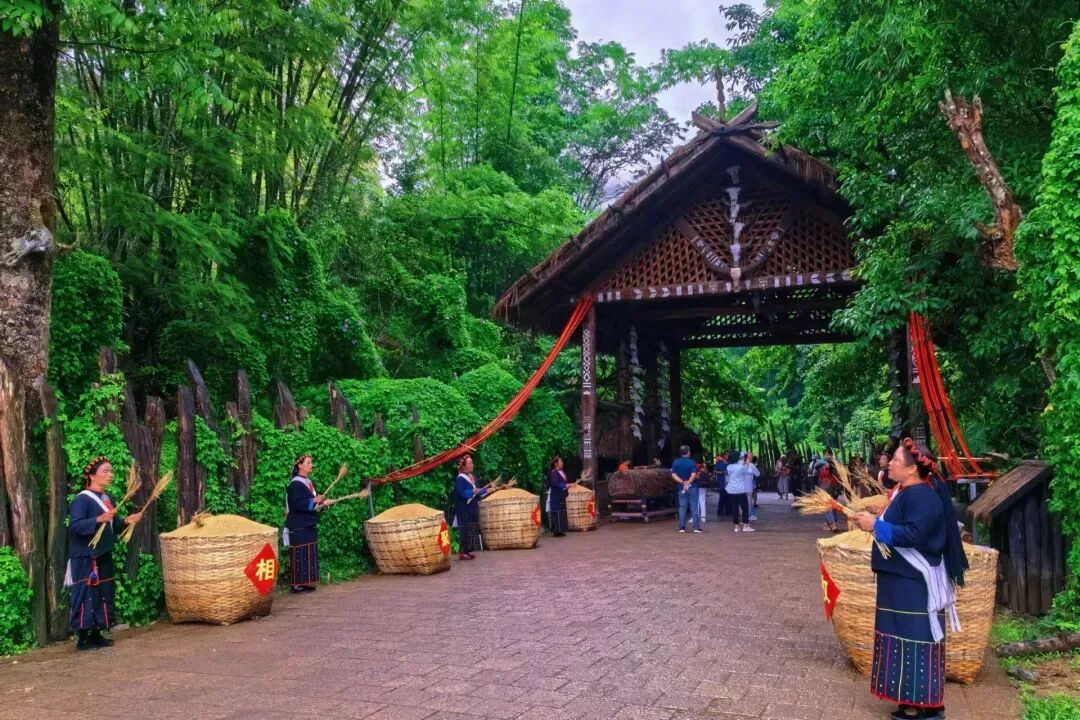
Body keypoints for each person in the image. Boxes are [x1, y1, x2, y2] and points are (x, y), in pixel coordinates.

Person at [853, 440, 966, 720]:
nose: (889, 463)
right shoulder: (906, 492)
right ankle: (911, 701)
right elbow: (902, 526)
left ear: (912, 468)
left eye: (895, 460)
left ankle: (926, 707)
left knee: (915, 637)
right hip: (901, 580)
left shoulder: (921, 497)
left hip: (913, 582)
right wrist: (874, 522)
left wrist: (875, 525)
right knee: (902, 636)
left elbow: (915, 534)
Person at [67, 456, 143, 650]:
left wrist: (127, 521)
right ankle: (83, 638)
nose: (110, 475)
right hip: (86, 556)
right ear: (92, 476)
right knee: (87, 593)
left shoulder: (108, 499)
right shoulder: (82, 500)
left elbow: (113, 525)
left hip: (103, 553)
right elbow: (75, 526)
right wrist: (98, 519)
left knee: (102, 593)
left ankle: (96, 634)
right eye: (105, 471)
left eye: (111, 471)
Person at [284, 454, 325, 593]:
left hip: (308, 524)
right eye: (308, 463)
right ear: (300, 465)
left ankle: (306, 583)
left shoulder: (308, 483)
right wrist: (314, 500)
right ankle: (296, 585)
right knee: (300, 554)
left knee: (309, 554)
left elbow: (312, 506)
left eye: (311, 463)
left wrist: (323, 504)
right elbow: (296, 505)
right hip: (299, 525)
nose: (311, 465)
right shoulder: (295, 484)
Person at [454, 455, 489, 559]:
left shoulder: (472, 477)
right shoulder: (460, 478)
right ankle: (462, 552)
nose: (472, 465)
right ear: (464, 466)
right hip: (463, 508)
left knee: (470, 528)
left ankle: (468, 551)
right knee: (464, 529)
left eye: (472, 463)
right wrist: (473, 491)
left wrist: (486, 490)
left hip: (472, 507)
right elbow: (461, 493)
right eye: (470, 463)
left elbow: (478, 492)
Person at [671, 445, 702, 534]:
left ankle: (682, 527)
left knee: (682, 507)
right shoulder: (692, 462)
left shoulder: (675, 462)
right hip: (693, 487)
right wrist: (688, 483)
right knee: (694, 507)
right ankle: (696, 527)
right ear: (688, 452)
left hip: (681, 487)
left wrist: (682, 482)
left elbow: (673, 475)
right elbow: (693, 475)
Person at [725, 451, 758, 533]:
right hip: (740, 490)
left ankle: (736, 527)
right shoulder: (741, 467)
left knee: (734, 508)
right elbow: (748, 472)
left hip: (731, 490)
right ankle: (745, 526)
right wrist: (747, 463)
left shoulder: (729, 467)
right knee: (745, 508)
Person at [818, 448, 841, 532]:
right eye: (825, 454)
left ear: (831, 455)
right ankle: (832, 524)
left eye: (828, 454)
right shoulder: (822, 463)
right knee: (829, 506)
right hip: (826, 488)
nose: (826, 456)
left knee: (832, 506)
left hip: (832, 488)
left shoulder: (834, 464)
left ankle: (830, 523)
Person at [546, 455, 569, 537]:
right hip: (556, 495)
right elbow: (555, 483)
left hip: (561, 495)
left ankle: (560, 530)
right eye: (560, 461)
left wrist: (567, 486)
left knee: (562, 512)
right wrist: (564, 485)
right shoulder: (554, 473)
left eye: (562, 461)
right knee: (557, 512)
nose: (562, 463)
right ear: (556, 464)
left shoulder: (562, 472)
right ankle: (556, 531)